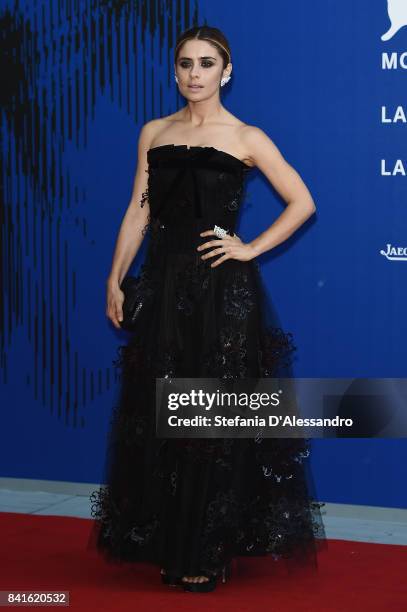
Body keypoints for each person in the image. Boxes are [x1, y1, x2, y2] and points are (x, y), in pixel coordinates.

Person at [88, 25, 326, 593]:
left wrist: (249, 247)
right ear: (175, 72)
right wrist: (115, 277)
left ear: (227, 72)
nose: (195, 73)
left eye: (207, 63)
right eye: (186, 64)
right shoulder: (154, 132)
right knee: (162, 418)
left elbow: (303, 201)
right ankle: (172, 540)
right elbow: (138, 212)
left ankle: (206, 546)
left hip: (222, 294)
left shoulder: (246, 136)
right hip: (163, 290)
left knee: (209, 419)